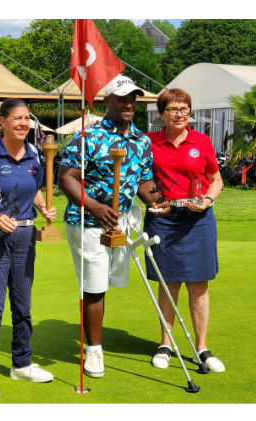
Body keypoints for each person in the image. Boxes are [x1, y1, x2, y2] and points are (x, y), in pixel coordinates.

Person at [59, 75, 164, 378]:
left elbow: (144, 181)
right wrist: (93, 205)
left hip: (121, 224)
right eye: (121, 98)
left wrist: (158, 200)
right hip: (87, 222)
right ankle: (94, 351)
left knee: (108, 282)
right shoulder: (88, 136)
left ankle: (94, 344)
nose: (129, 103)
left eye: (133, 98)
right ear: (107, 101)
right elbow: (66, 177)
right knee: (94, 285)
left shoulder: (142, 141)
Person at [0, 99, 58, 400]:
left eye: (26, 119)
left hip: (25, 238)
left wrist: (44, 206)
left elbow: (33, 191)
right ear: (3, 122)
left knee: (23, 306)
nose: (23, 124)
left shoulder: (34, 153)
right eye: (16, 118)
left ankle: (21, 363)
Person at [143, 88, 227, 373]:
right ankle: (166, 344)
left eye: (184, 109)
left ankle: (201, 347)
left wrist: (207, 199)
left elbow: (216, 180)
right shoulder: (149, 141)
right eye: (172, 109)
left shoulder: (202, 141)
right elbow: (142, 179)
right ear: (161, 114)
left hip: (198, 219)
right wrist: (153, 201)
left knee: (199, 283)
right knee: (169, 283)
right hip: (163, 218)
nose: (179, 114)